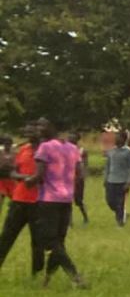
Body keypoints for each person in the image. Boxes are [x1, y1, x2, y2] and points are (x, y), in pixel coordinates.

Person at [32, 126, 85, 287]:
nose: (38, 129)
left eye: (41, 126)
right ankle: (47, 279)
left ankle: (75, 275)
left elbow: (39, 175)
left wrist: (26, 180)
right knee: (59, 241)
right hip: (66, 199)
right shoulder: (73, 148)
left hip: (48, 199)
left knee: (50, 240)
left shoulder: (45, 147)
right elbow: (80, 174)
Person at [0, 122, 44, 275]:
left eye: (33, 131)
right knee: (6, 236)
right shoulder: (23, 150)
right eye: (28, 132)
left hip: (38, 202)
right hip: (19, 200)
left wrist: (36, 179)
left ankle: (36, 273)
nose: (30, 134)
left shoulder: (46, 151)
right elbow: (13, 172)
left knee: (38, 240)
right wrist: (24, 177)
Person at [103, 129, 130, 225]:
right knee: (110, 201)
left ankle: (120, 221)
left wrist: (129, 181)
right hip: (111, 180)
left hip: (122, 181)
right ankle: (122, 213)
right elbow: (107, 166)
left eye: (119, 137)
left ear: (124, 139)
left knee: (120, 203)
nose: (116, 139)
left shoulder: (129, 152)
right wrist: (105, 178)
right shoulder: (111, 151)